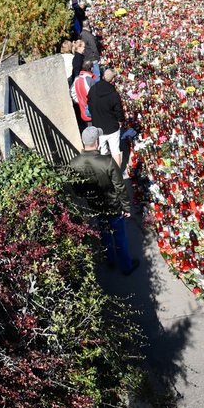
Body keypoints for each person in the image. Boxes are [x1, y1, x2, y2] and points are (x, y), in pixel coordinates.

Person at [69, 126, 139, 275]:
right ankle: (126, 267)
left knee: (104, 234)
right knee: (119, 237)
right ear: (97, 143)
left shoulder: (73, 163)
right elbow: (119, 186)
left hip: (95, 206)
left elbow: (77, 190)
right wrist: (126, 207)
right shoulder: (106, 162)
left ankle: (110, 260)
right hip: (112, 205)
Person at [87, 68, 125, 168]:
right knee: (115, 150)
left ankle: (105, 171)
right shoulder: (113, 94)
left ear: (103, 76)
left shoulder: (93, 89)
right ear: (112, 80)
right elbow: (118, 110)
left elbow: (89, 104)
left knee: (102, 151)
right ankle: (117, 173)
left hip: (98, 126)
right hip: (112, 126)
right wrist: (120, 120)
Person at [70, 60, 96, 131]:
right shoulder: (90, 80)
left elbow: (72, 93)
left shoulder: (77, 79)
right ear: (91, 69)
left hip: (83, 112)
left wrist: (80, 101)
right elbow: (96, 96)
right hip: (93, 113)